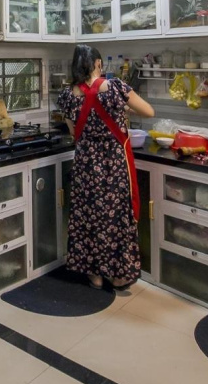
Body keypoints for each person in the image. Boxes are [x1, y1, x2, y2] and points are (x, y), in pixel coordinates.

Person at [56, 44, 155, 290]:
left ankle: (95, 275)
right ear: (98, 64)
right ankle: (118, 274)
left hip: (85, 165)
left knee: (87, 217)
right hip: (113, 166)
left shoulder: (67, 95)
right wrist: (124, 108)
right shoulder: (115, 87)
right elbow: (149, 112)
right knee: (116, 218)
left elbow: (74, 131)